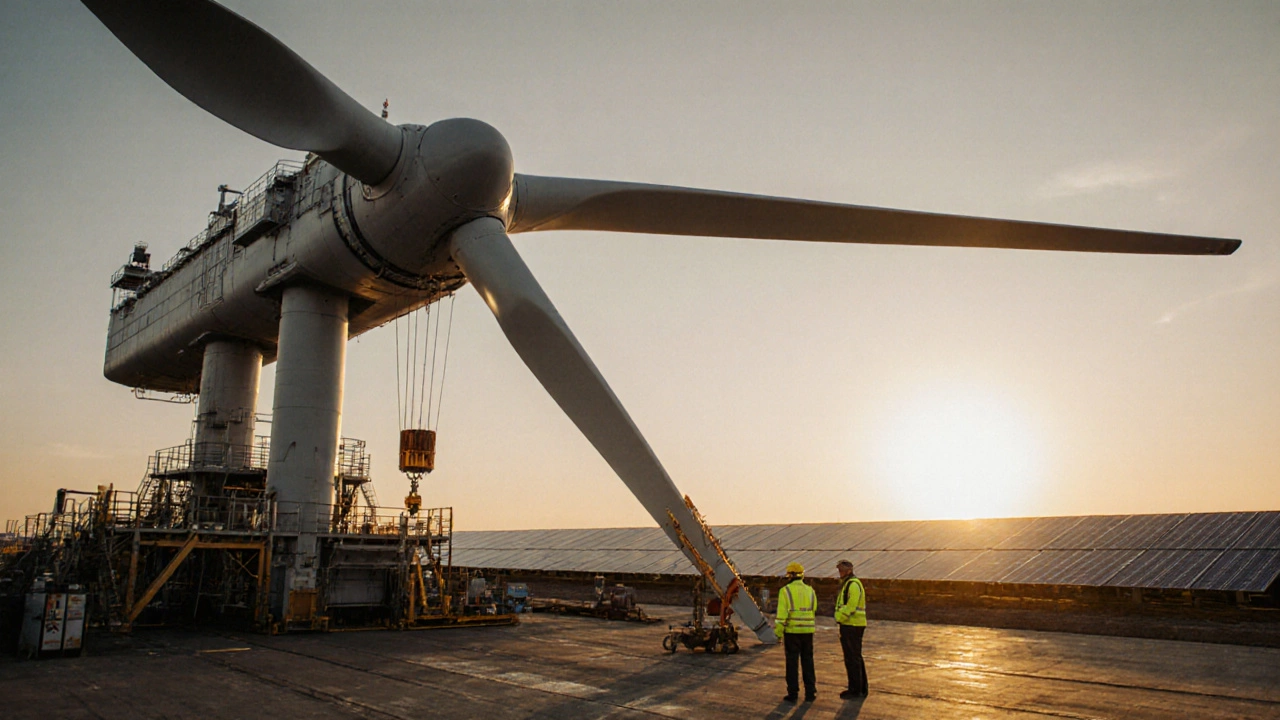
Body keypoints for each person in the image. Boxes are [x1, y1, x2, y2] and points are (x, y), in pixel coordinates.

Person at [775, 561, 817, 703]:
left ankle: (793, 694)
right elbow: (814, 608)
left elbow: (781, 615)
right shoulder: (810, 590)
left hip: (792, 631)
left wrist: (778, 633)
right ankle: (810, 693)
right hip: (808, 631)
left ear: (790, 575)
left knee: (792, 664)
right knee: (808, 662)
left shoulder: (785, 591)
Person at [834, 559, 868, 699]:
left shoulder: (852, 585)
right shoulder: (849, 584)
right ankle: (861, 688)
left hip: (852, 625)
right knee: (856, 657)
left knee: (852, 658)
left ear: (848, 570)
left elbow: (851, 606)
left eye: (841, 570)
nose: (839, 572)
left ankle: (855, 690)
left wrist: (840, 617)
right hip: (853, 625)